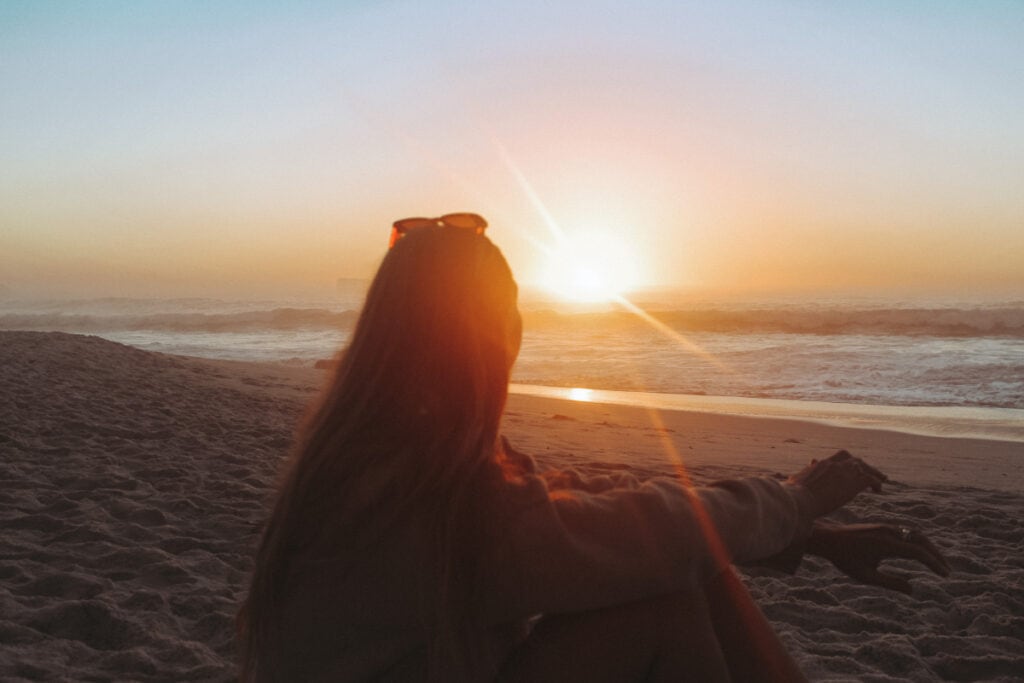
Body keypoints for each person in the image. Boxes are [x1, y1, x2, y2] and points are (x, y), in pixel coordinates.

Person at [238, 214, 950, 682]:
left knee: (684, 562)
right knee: (666, 597)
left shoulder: (373, 453)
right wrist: (794, 499)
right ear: (491, 337)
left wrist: (812, 533)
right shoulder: (433, 500)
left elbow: (587, 503)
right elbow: (629, 530)